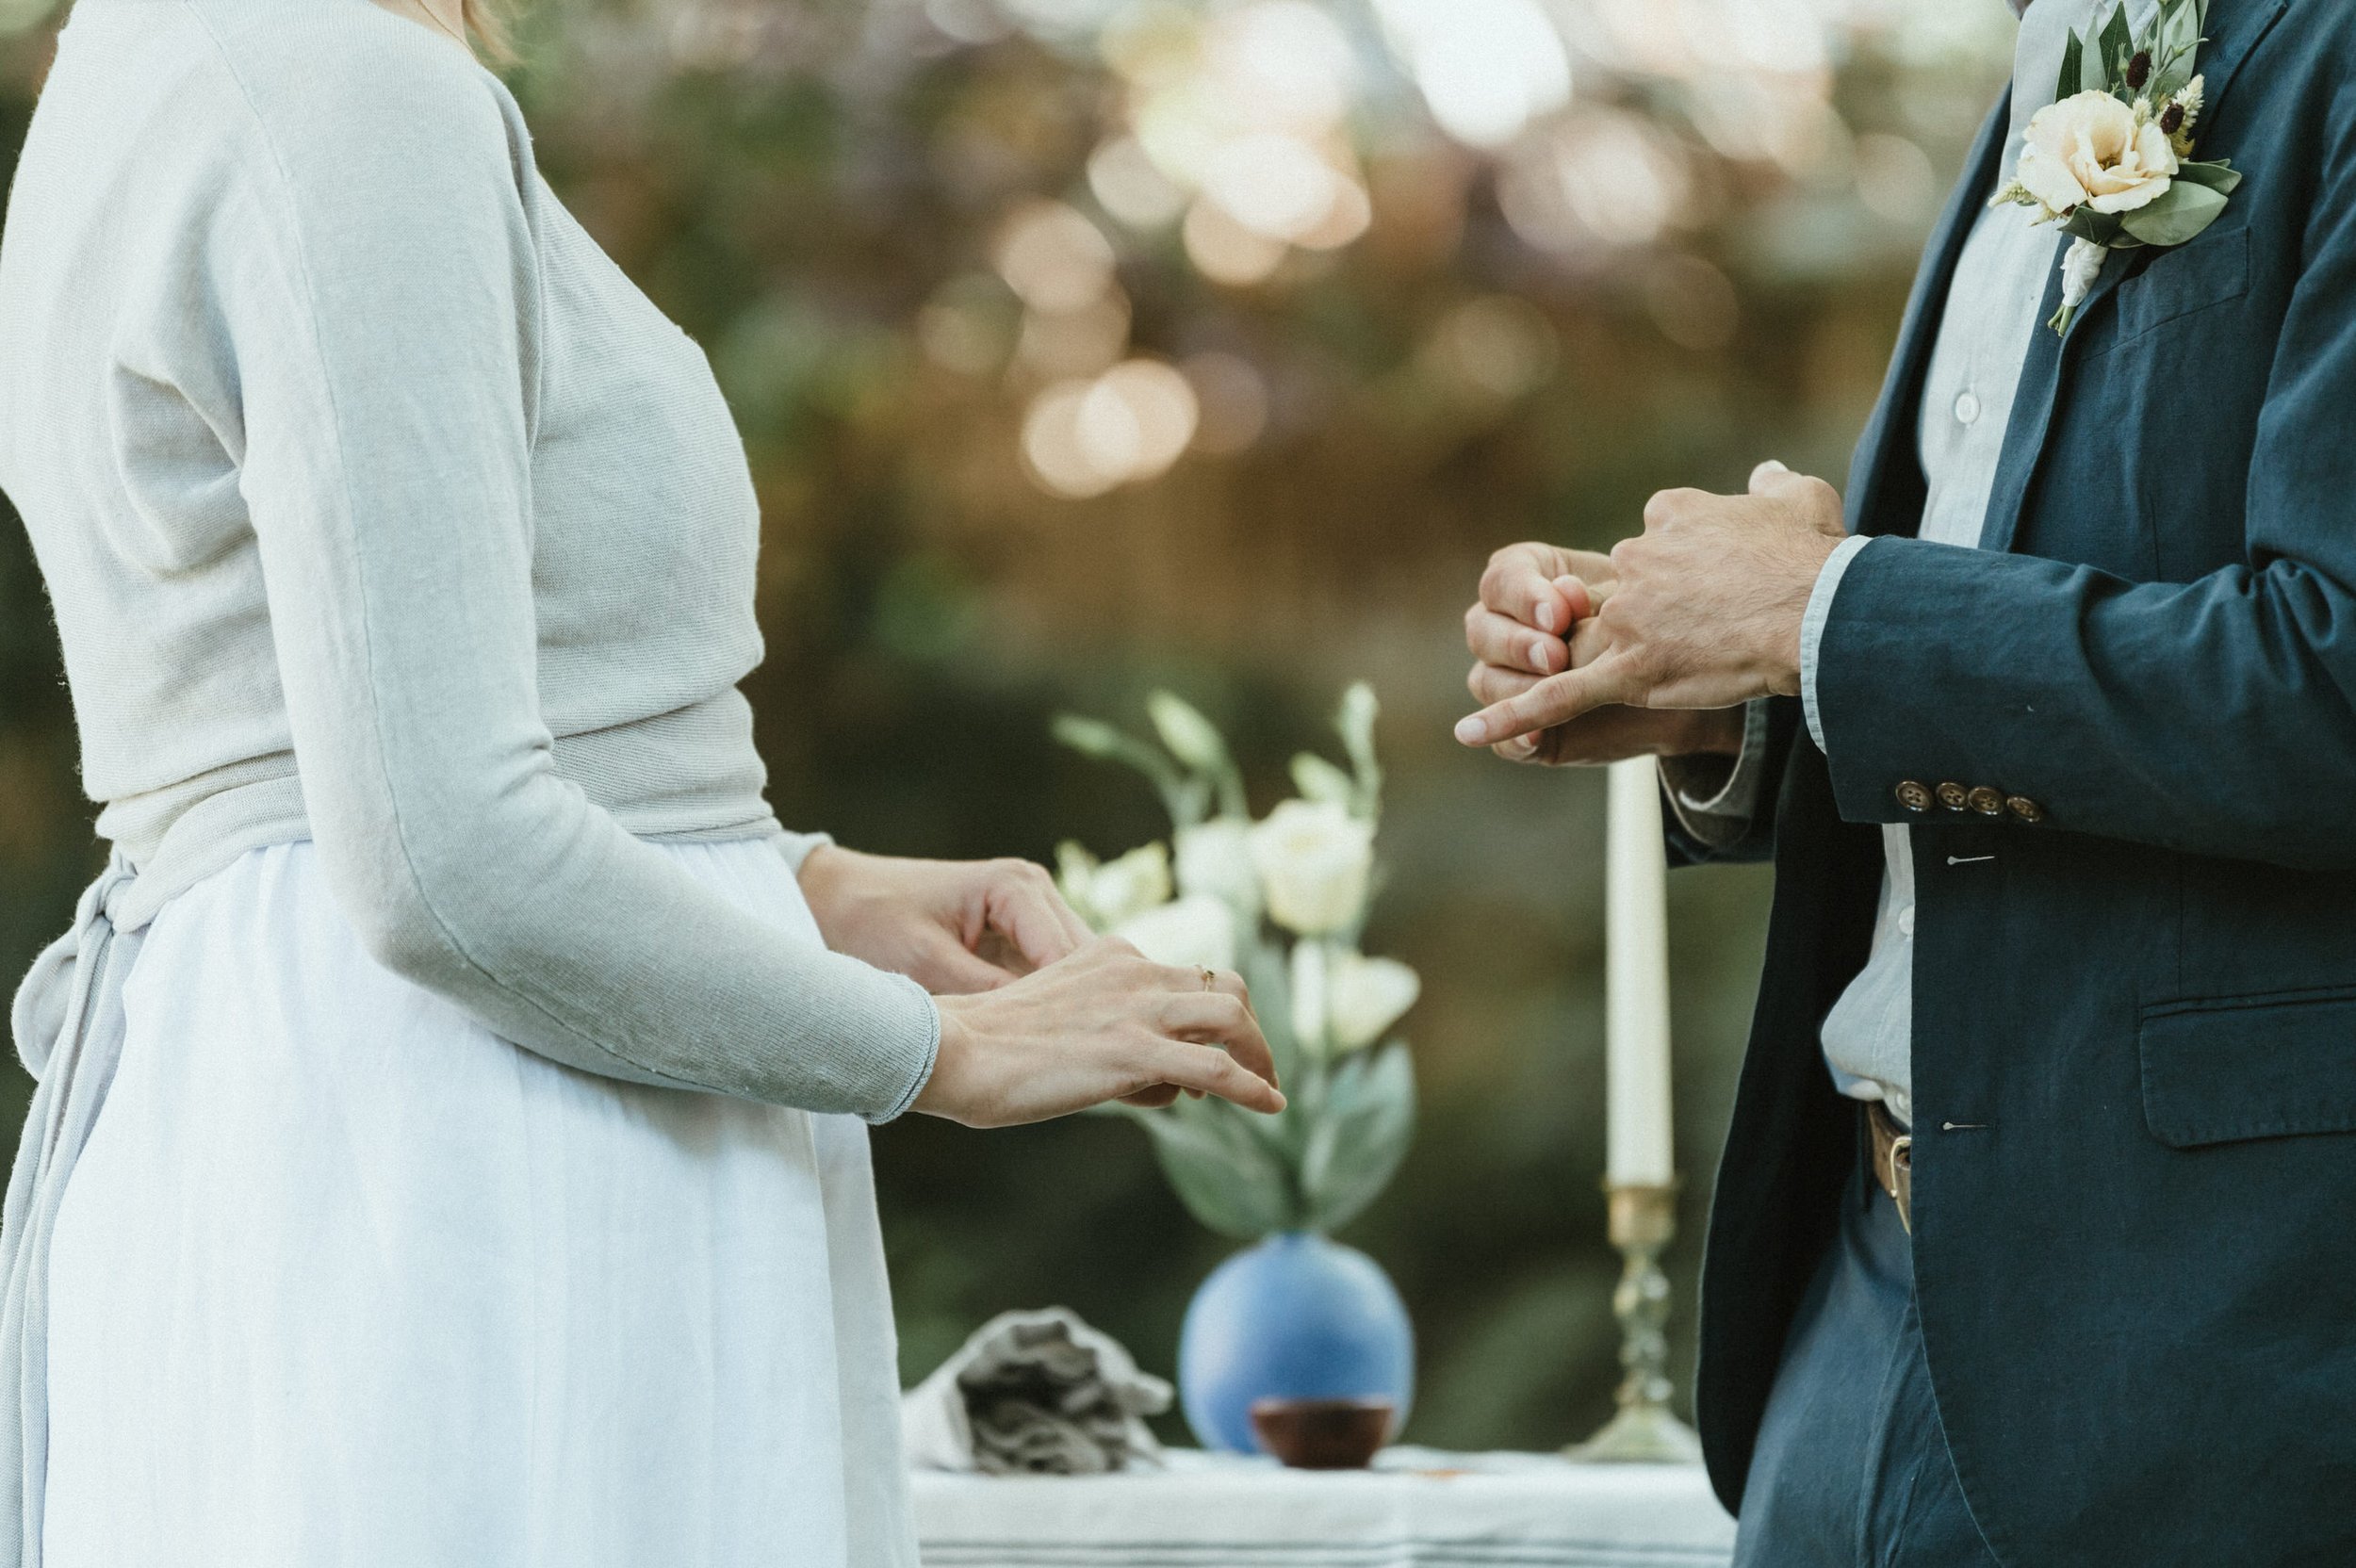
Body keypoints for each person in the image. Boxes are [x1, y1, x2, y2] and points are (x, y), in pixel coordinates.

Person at [0, 0, 1284, 1561]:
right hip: (482, 1144)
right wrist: (944, 1049)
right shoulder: (338, 80)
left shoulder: (151, 59)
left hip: (377, 1109)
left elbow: (309, 717)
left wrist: (799, 883)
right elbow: (438, 856)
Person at [1461, 0, 2355, 1560]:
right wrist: (1721, 694)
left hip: (2206, 1342)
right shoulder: (2057, 44)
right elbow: (2005, 626)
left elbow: (2333, 680)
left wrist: (1820, 610)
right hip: (1858, 1288)